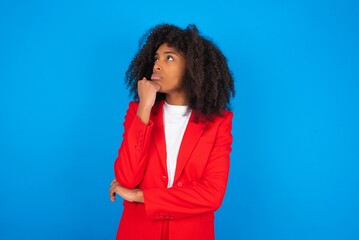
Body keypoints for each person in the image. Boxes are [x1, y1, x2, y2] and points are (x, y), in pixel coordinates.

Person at [109, 23, 235, 240]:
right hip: (138, 231)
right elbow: (126, 178)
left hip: (191, 233)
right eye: (156, 58)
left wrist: (141, 196)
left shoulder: (218, 122)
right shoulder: (138, 112)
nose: (157, 65)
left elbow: (212, 194)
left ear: (193, 67)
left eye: (169, 58)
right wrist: (145, 108)